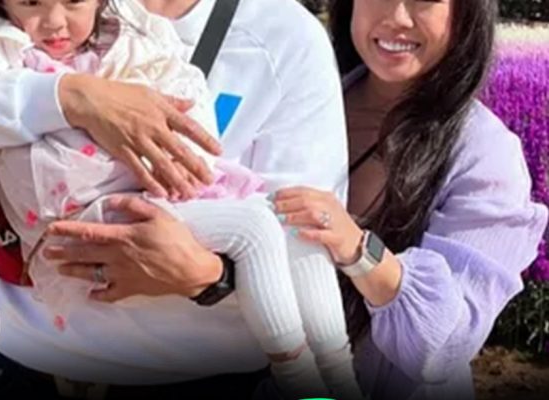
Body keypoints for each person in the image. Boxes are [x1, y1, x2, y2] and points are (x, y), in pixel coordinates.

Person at [47, 0, 549, 399]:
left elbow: (445, 343)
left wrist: (358, 250)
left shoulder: (484, 154)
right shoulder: (304, 93)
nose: (396, 16)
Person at [0, 0, 360, 398]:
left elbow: (302, 223)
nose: (54, 20)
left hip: (206, 378)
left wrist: (205, 277)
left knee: (279, 228)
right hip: (37, 366)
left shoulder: (283, 36)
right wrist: (73, 98)